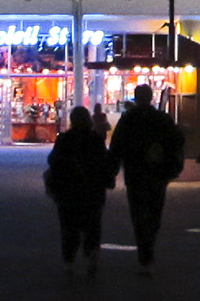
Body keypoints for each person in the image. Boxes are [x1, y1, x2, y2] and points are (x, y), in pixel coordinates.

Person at [107, 83, 185, 276]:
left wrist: (111, 171)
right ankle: (148, 247)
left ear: (136, 97)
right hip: (157, 173)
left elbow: (117, 147)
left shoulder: (129, 119)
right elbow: (177, 141)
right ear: (151, 97)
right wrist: (173, 166)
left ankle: (145, 252)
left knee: (138, 212)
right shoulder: (162, 118)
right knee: (154, 211)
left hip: (135, 173)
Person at [46, 106, 114, 278]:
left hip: (68, 189)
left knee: (69, 225)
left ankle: (69, 260)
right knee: (92, 223)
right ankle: (92, 253)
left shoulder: (65, 139)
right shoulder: (95, 140)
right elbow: (104, 162)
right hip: (92, 189)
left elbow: (53, 160)